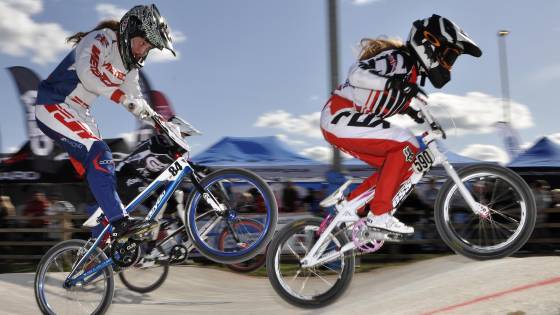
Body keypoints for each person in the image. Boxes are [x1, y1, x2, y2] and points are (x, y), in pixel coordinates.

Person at [320, 14, 481, 234]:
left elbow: (390, 96)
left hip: (346, 123)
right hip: (339, 114)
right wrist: (395, 84)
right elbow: (357, 76)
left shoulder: (411, 75)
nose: (447, 64)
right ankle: (380, 214)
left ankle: (349, 211)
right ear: (428, 44)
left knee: (403, 164)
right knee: (406, 143)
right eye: (447, 56)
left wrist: (413, 112)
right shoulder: (398, 59)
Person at [34, 4, 177, 239]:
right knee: (100, 153)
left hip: (79, 112)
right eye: (142, 42)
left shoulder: (130, 67)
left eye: (148, 48)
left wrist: (163, 124)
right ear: (129, 31)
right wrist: (120, 98)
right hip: (53, 104)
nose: (142, 51)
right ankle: (120, 222)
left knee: (103, 172)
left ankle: (99, 245)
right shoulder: (100, 39)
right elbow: (87, 74)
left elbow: (138, 101)